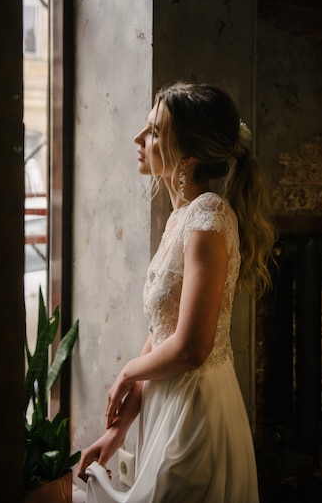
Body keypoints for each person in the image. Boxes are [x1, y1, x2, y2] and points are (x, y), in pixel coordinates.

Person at [78, 81, 275, 502]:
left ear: (187, 155)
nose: (138, 138)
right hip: (168, 403)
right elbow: (163, 329)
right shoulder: (182, 218)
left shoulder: (208, 218)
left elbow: (192, 347)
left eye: (152, 132)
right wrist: (119, 429)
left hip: (196, 414)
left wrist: (129, 371)